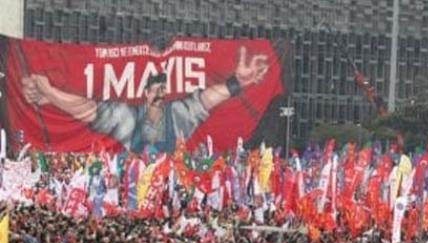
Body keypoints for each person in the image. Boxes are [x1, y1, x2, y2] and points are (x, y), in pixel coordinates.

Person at [21, 47, 269, 154]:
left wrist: (236, 82)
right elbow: (87, 109)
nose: (160, 94)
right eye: (155, 89)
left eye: (164, 89)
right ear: (146, 94)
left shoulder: (178, 116)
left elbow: (206, 99)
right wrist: (52, 94)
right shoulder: (128, 119)